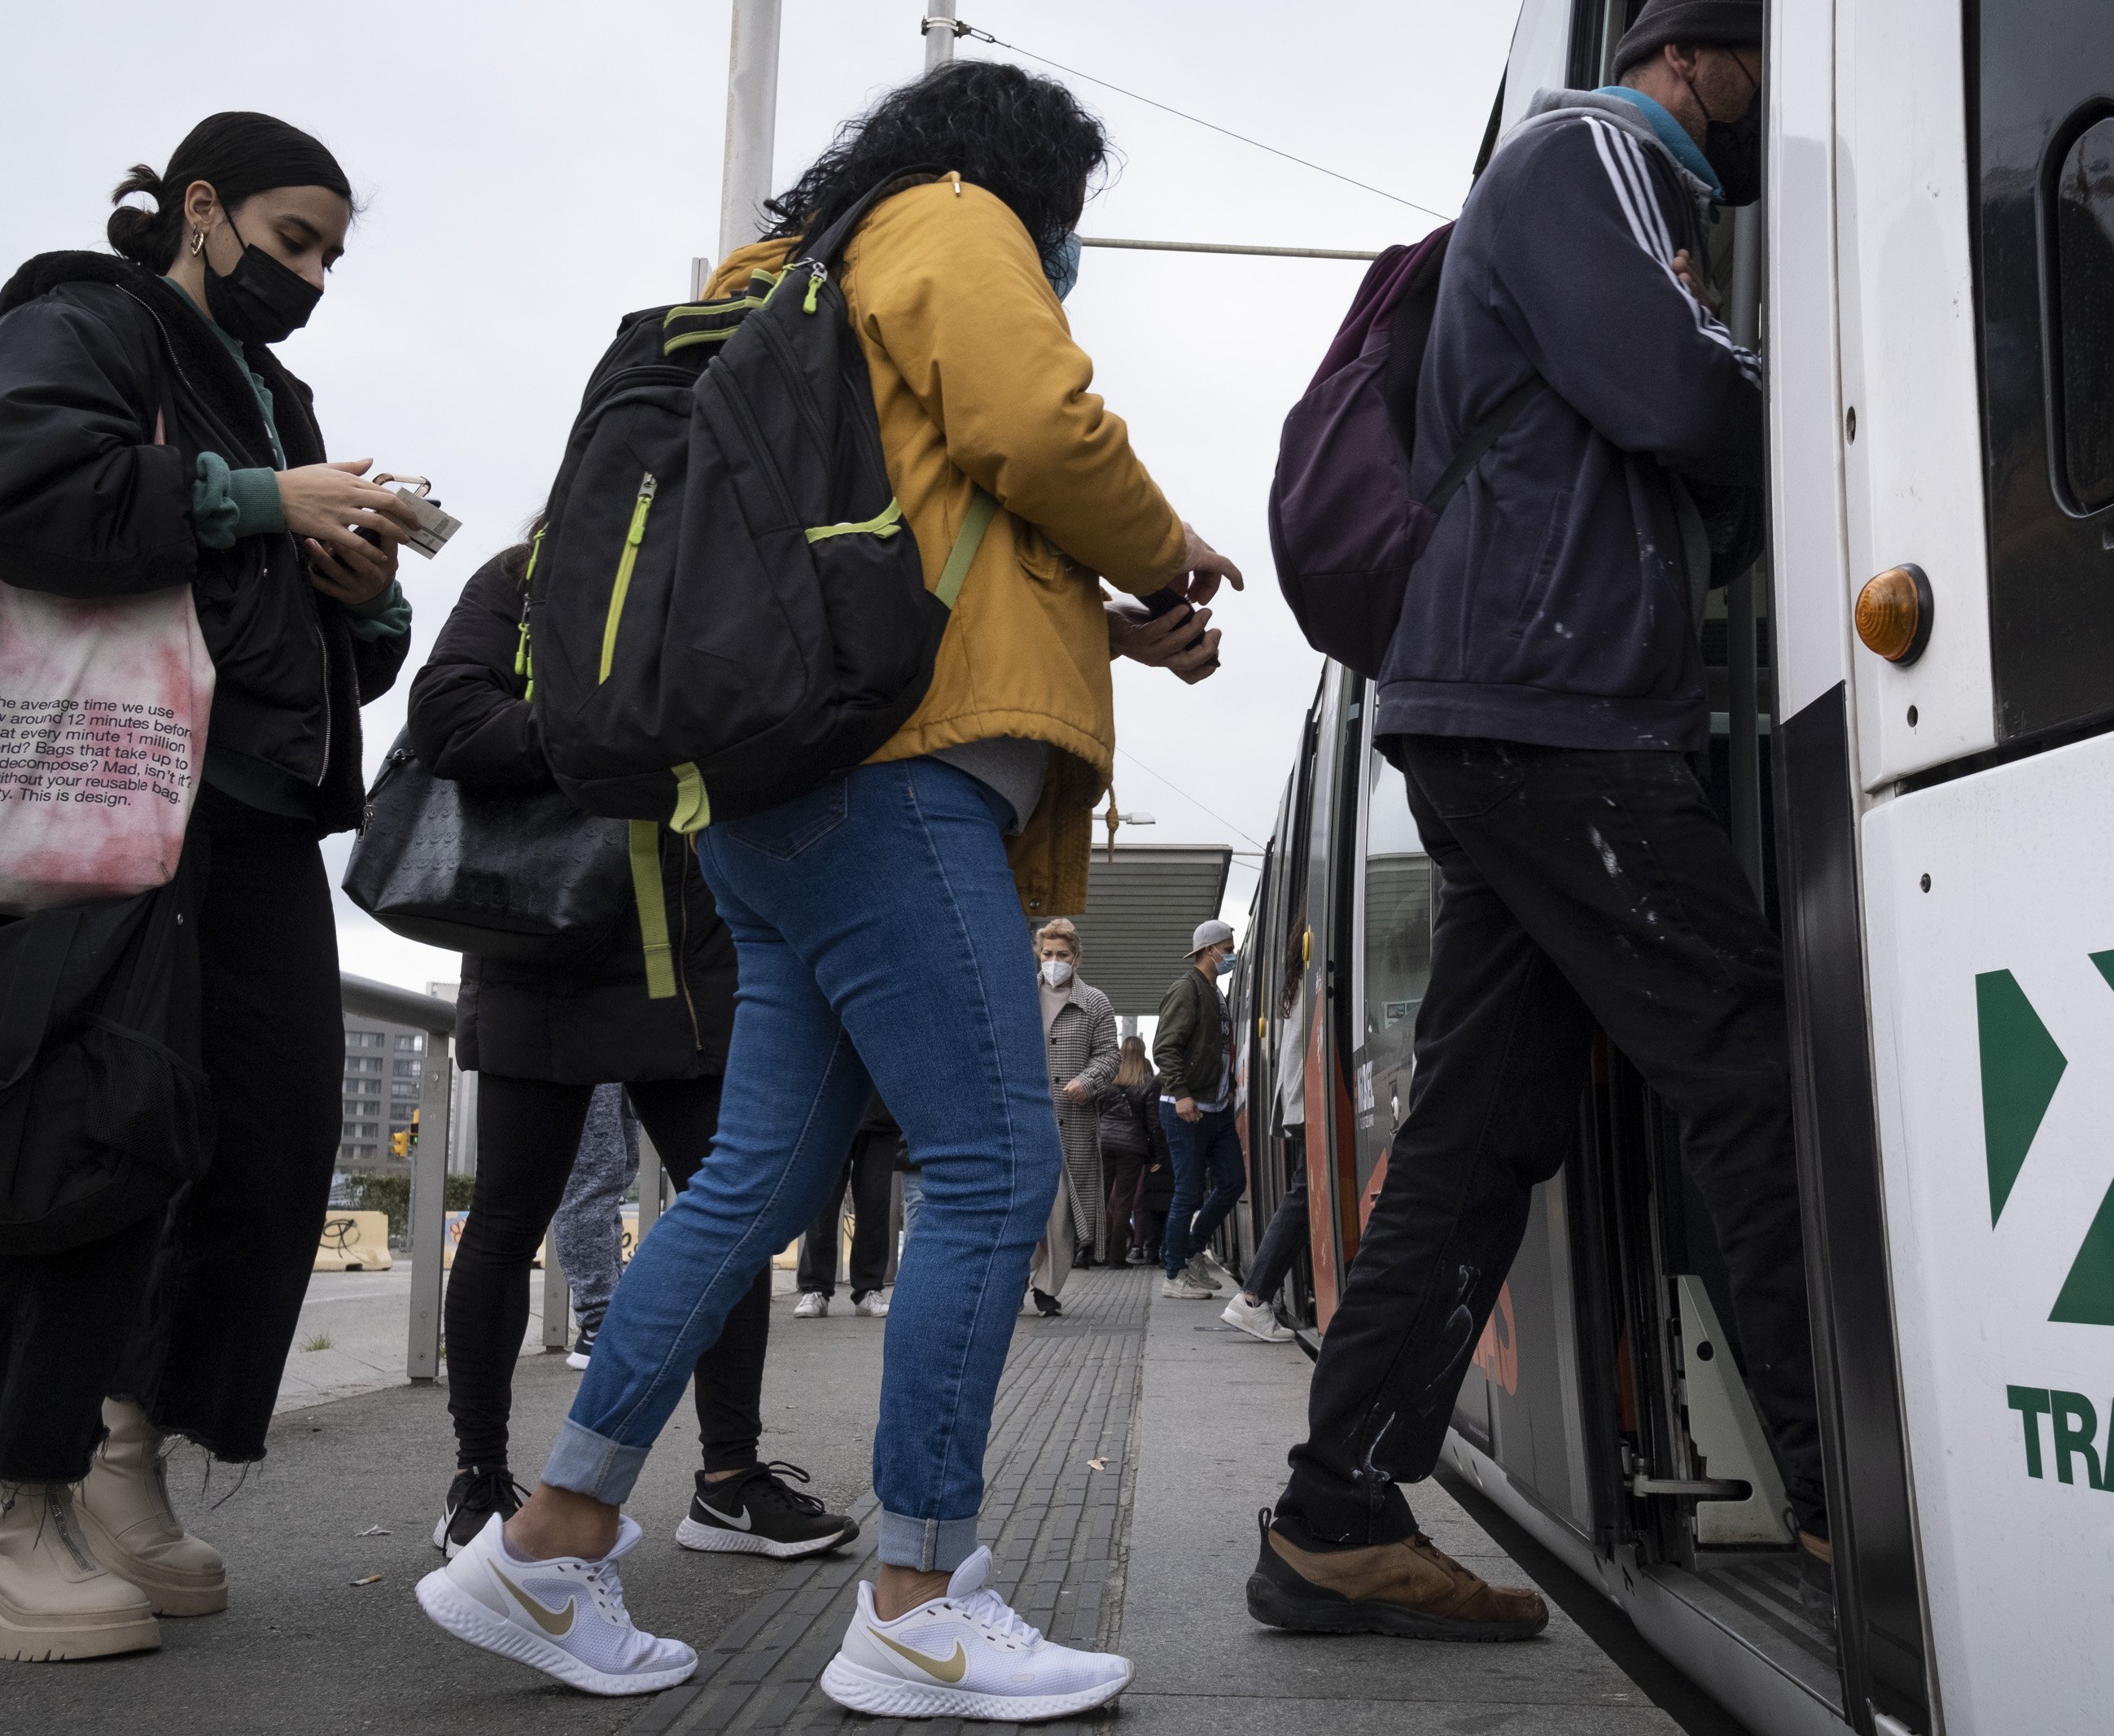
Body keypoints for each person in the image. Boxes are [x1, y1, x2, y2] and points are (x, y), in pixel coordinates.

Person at [414, 61, 1239, 1716]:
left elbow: (940, 534)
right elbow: (1036, 426)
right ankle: (924, 1591)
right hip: (893, 785)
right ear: (1029, 181)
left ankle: (549, 1539)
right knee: (998, 1165)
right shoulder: (948, 222)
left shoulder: (788, 289)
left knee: (747, 1185)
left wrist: (1102, 623)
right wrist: (1164, 551)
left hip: (776, 798)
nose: (1063, 248)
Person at [1247, 0, 1830, 1645]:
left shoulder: (1595, 181)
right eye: (1758, 61)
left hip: (1516, 707)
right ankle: (1846, 1488)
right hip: (1551, 709)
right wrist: (1791, 407)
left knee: (1482, 1123)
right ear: (1688, 56)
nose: (1765, 105)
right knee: (1736, 1046)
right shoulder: (1591, 154)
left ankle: (1335, 1515)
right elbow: (1683, 395)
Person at [0, 112, 418, 1660]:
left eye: (329, 256)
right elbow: (30, 482)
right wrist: (261, 501)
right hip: (105, 803)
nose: (308, 277)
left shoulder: (271, 388)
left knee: (264, 1132)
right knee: (88, 1121)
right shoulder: (82, 320)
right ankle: (15, 1491)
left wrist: (360, 595)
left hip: (243, 813)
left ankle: (114, 1458)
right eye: (292, 239)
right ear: (202, 208)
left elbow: (291, 622)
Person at [412, 539, 854, 1564]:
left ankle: (729, 1482)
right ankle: (480, 1478)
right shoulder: (521, 578)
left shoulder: (727, 574)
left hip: (690, 952)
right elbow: (445, 719)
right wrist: (622, 734)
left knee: (730, 1209)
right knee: (506, 1219)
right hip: (535, 934)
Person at [1223, 912, 1311, 1344]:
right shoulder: (1316, 963)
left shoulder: (1299, 971)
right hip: (1310, 1099)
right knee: (1302, 1199)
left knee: (1302, 1196)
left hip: (1302, 1099)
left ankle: (1254, 1297)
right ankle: (1254, 1298)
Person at [1029, 919, 1118, 1315]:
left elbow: (1110, 1055)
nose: (1053, 962)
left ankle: (1047, 1287)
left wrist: (1089, 1080)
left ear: (1076, 957)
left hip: (1074, 1122)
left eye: (1061, 955)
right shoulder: (1020, 995)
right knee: (1029, 1210)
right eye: (1047, 954)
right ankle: (1018, 1282)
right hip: (1028, 1120)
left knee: (1064, 1213)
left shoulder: (1095, 1001)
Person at [1154, 920, 1245, 1301]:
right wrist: (1182, 1094)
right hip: (1186, 1107)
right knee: (1187, 1191)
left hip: (1217, 1108)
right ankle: (1174, 1274)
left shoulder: (1216, 993)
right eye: (1227, 948)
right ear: (1209, 950)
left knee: (1233, 1181)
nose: (1231, 955)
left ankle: (1191, 1249)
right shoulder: (1186, 989)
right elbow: (1165, 1047)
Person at [795, 1085, 903, 1319]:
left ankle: (869, 1288)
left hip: (882, 1107)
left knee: (876, 1202)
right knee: (822, 1203)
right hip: (829, 1105)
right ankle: (815, 1288)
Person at [553, 1085, 639, 1368]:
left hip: (617, 1052)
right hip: (584, 1051)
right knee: (590, 1183)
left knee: (611, 1178)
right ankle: (599, 1326)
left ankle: (609, 1316)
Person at [1096, 1036, 1170, 1264]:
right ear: (1142, 1054)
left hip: (1104, 1143)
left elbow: (1098, 1112)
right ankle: (1116, 1258)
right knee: (1124, 1203)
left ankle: (1090, 1251)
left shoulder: (1107, 1081)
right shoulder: (1148, 1083)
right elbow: (1154, 1124)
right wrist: (1158, 1155)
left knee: (1102, 1199)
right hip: (1132, 1147)